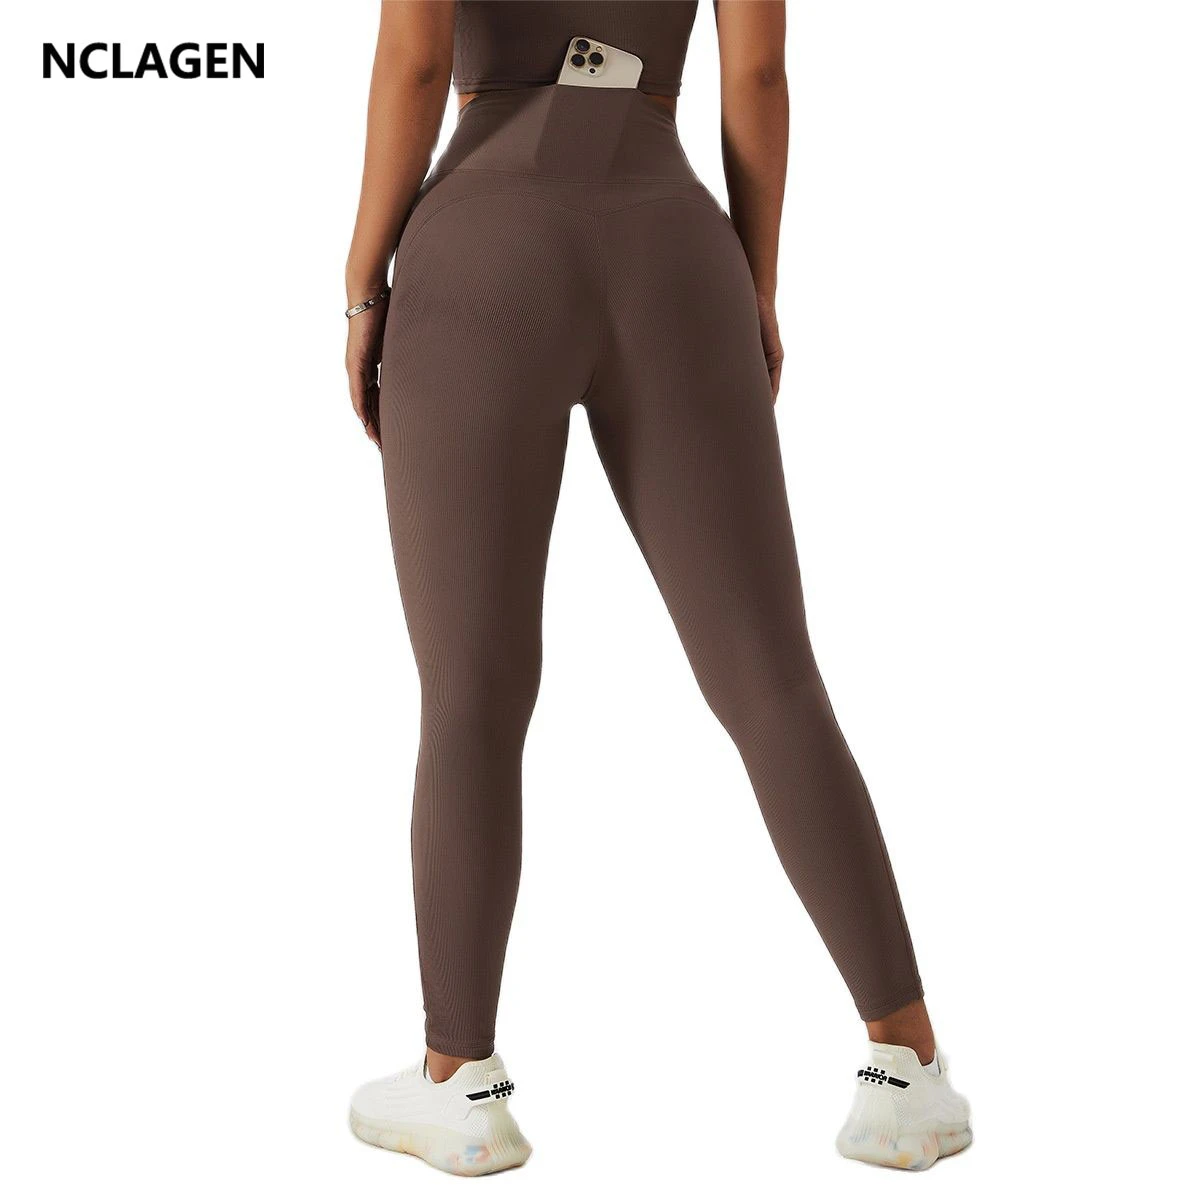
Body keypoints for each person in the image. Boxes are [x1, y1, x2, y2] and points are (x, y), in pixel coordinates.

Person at [343, 1, 970, 1176]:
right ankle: (908, 1066)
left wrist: (362, 281)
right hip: (674, 248)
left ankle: (459, 1081)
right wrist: (754, 283)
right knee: (772, 682)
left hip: (481, 254)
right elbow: (760, 73)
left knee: (472, 694)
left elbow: (416, 60)